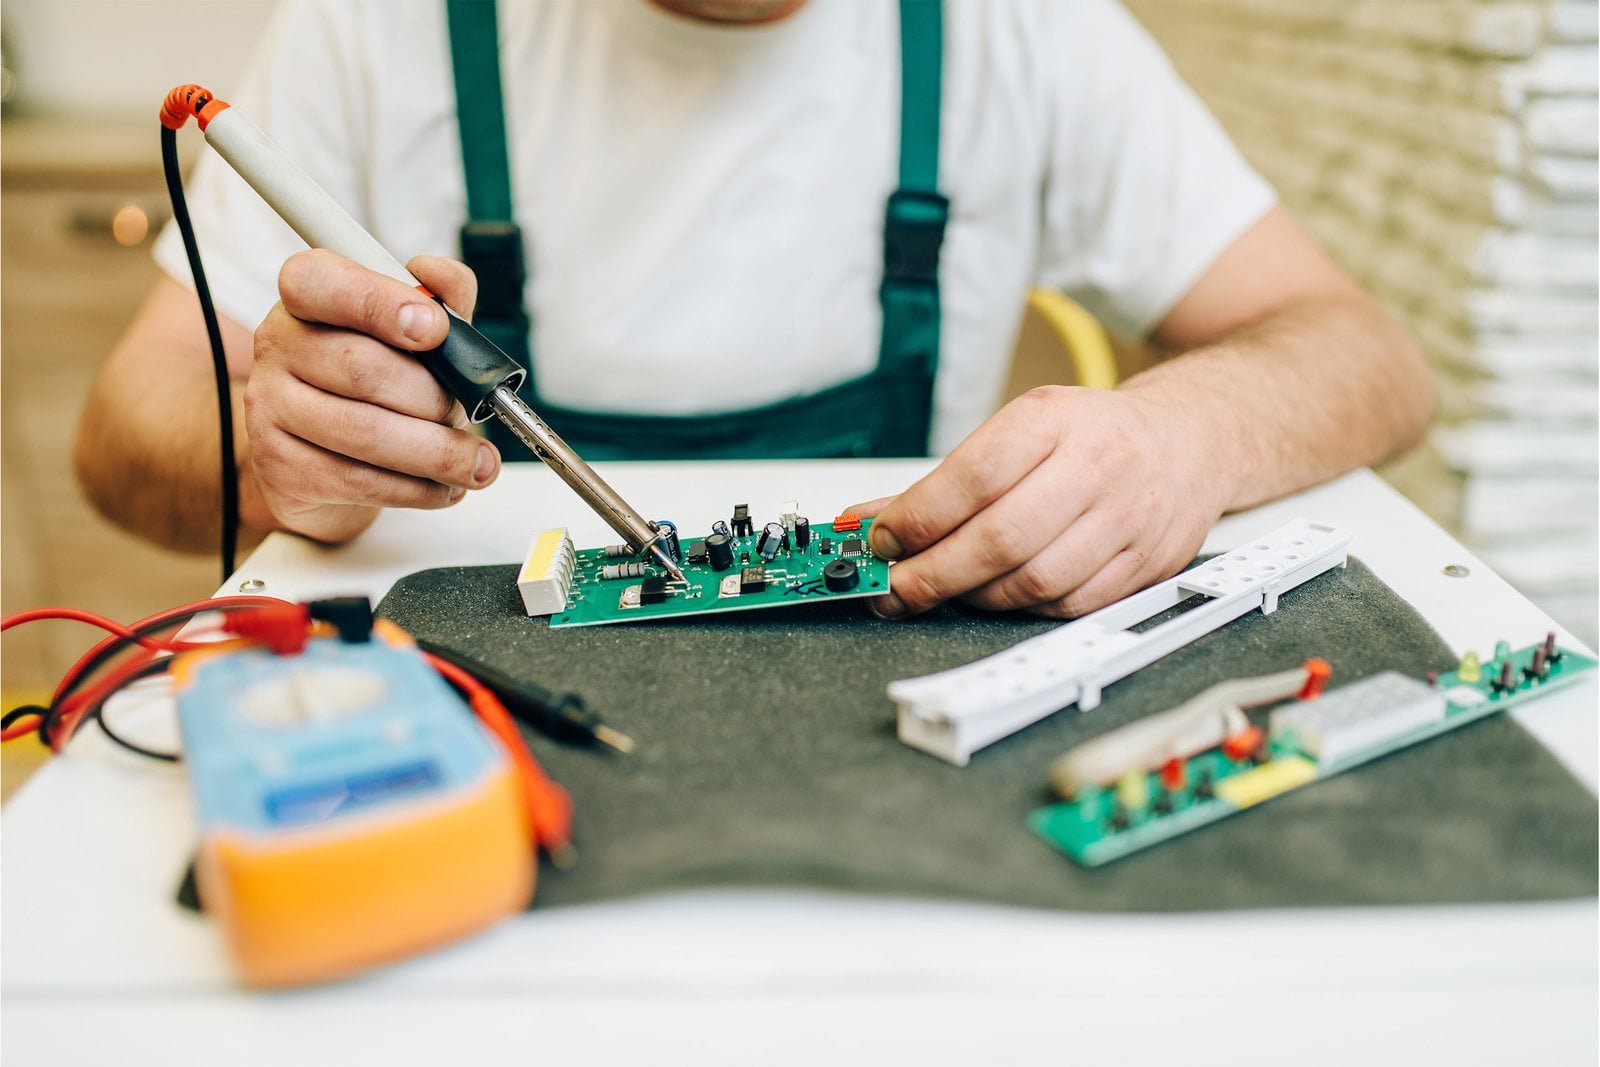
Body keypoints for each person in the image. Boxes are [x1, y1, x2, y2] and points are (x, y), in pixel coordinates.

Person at [76, 0, 1432, 621]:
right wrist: (267, 442)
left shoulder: (1027, 31)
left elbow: (1370, 357)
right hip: (466, 716)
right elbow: (122, 432)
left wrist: (1188, 430)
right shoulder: (373, 30)